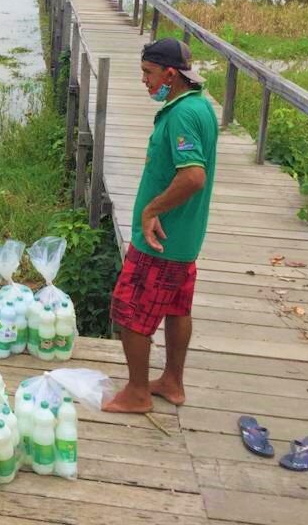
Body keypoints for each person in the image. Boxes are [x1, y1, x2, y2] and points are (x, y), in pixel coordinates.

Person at [104, 39, 218, 414]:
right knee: (177, 307)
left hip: (161, 238)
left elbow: (193, 176)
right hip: (184, 238)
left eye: (148, 73)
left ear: (171, 74)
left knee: (128, 309)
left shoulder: (182, 114)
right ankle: (172, 381)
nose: (144, 80)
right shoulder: (199, 105)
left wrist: (151, 210)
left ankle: (137, 393)